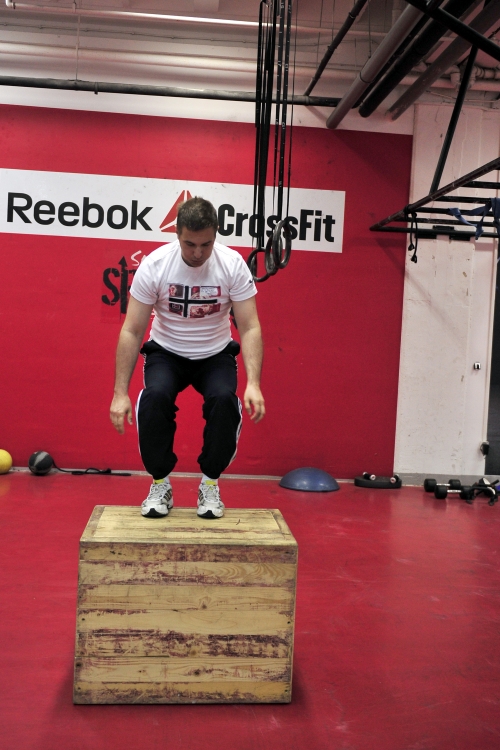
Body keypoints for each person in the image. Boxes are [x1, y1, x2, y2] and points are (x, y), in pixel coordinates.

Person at [110, 196, 265, 519]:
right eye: (190, 244)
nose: (198, 253)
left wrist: (254, 383)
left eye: (206, 244)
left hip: (215, 353)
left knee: (224, 401)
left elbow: (250, 326)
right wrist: (119, 392)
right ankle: (160, 484)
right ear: (177, 234)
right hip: (166, 351)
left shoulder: (232, 264)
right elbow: (132, 330)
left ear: (216, 235)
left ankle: (210, 484)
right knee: (154, 398)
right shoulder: (156, 265)